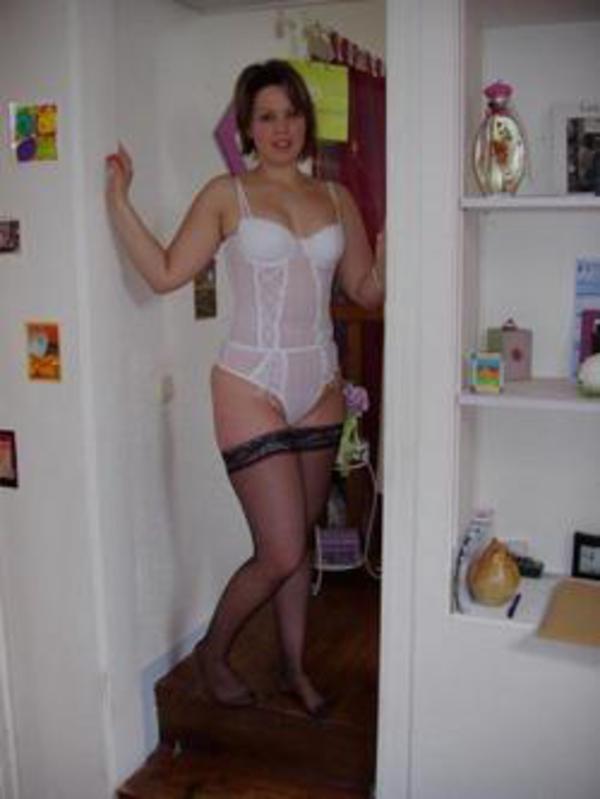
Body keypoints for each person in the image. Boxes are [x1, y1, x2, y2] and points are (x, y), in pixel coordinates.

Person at [105, 59, 384, 716]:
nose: (281, 127)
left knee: (300, 540)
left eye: (291, 113)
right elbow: (166, 272)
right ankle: (214, 652)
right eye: (267, 116)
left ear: (305, 120)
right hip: (249, 382)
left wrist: (397, 246)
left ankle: (293, 666)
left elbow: (365, 290)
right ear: (247, 127)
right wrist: (118, 200)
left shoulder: (337, 198)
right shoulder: (227, 193)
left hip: (320, 381)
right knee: (279, 548)